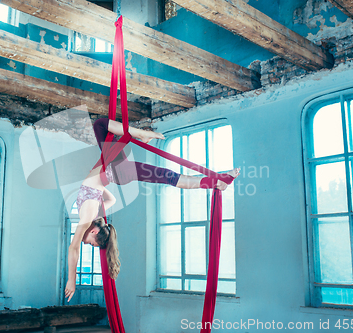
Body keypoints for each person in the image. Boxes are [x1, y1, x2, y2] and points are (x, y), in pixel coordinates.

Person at [65, 118, 240, 301]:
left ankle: (218, 181)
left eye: (90, 243)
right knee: (101, 126)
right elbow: (76, 245)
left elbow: (74, 248)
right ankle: (218, 180)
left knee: (169, 177)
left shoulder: (89, 216)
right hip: (116, 170)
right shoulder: (89, 215)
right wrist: (98, 186)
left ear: (94, 230)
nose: (86, 244)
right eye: (91, 243)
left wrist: (71, 280)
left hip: (115, 170)